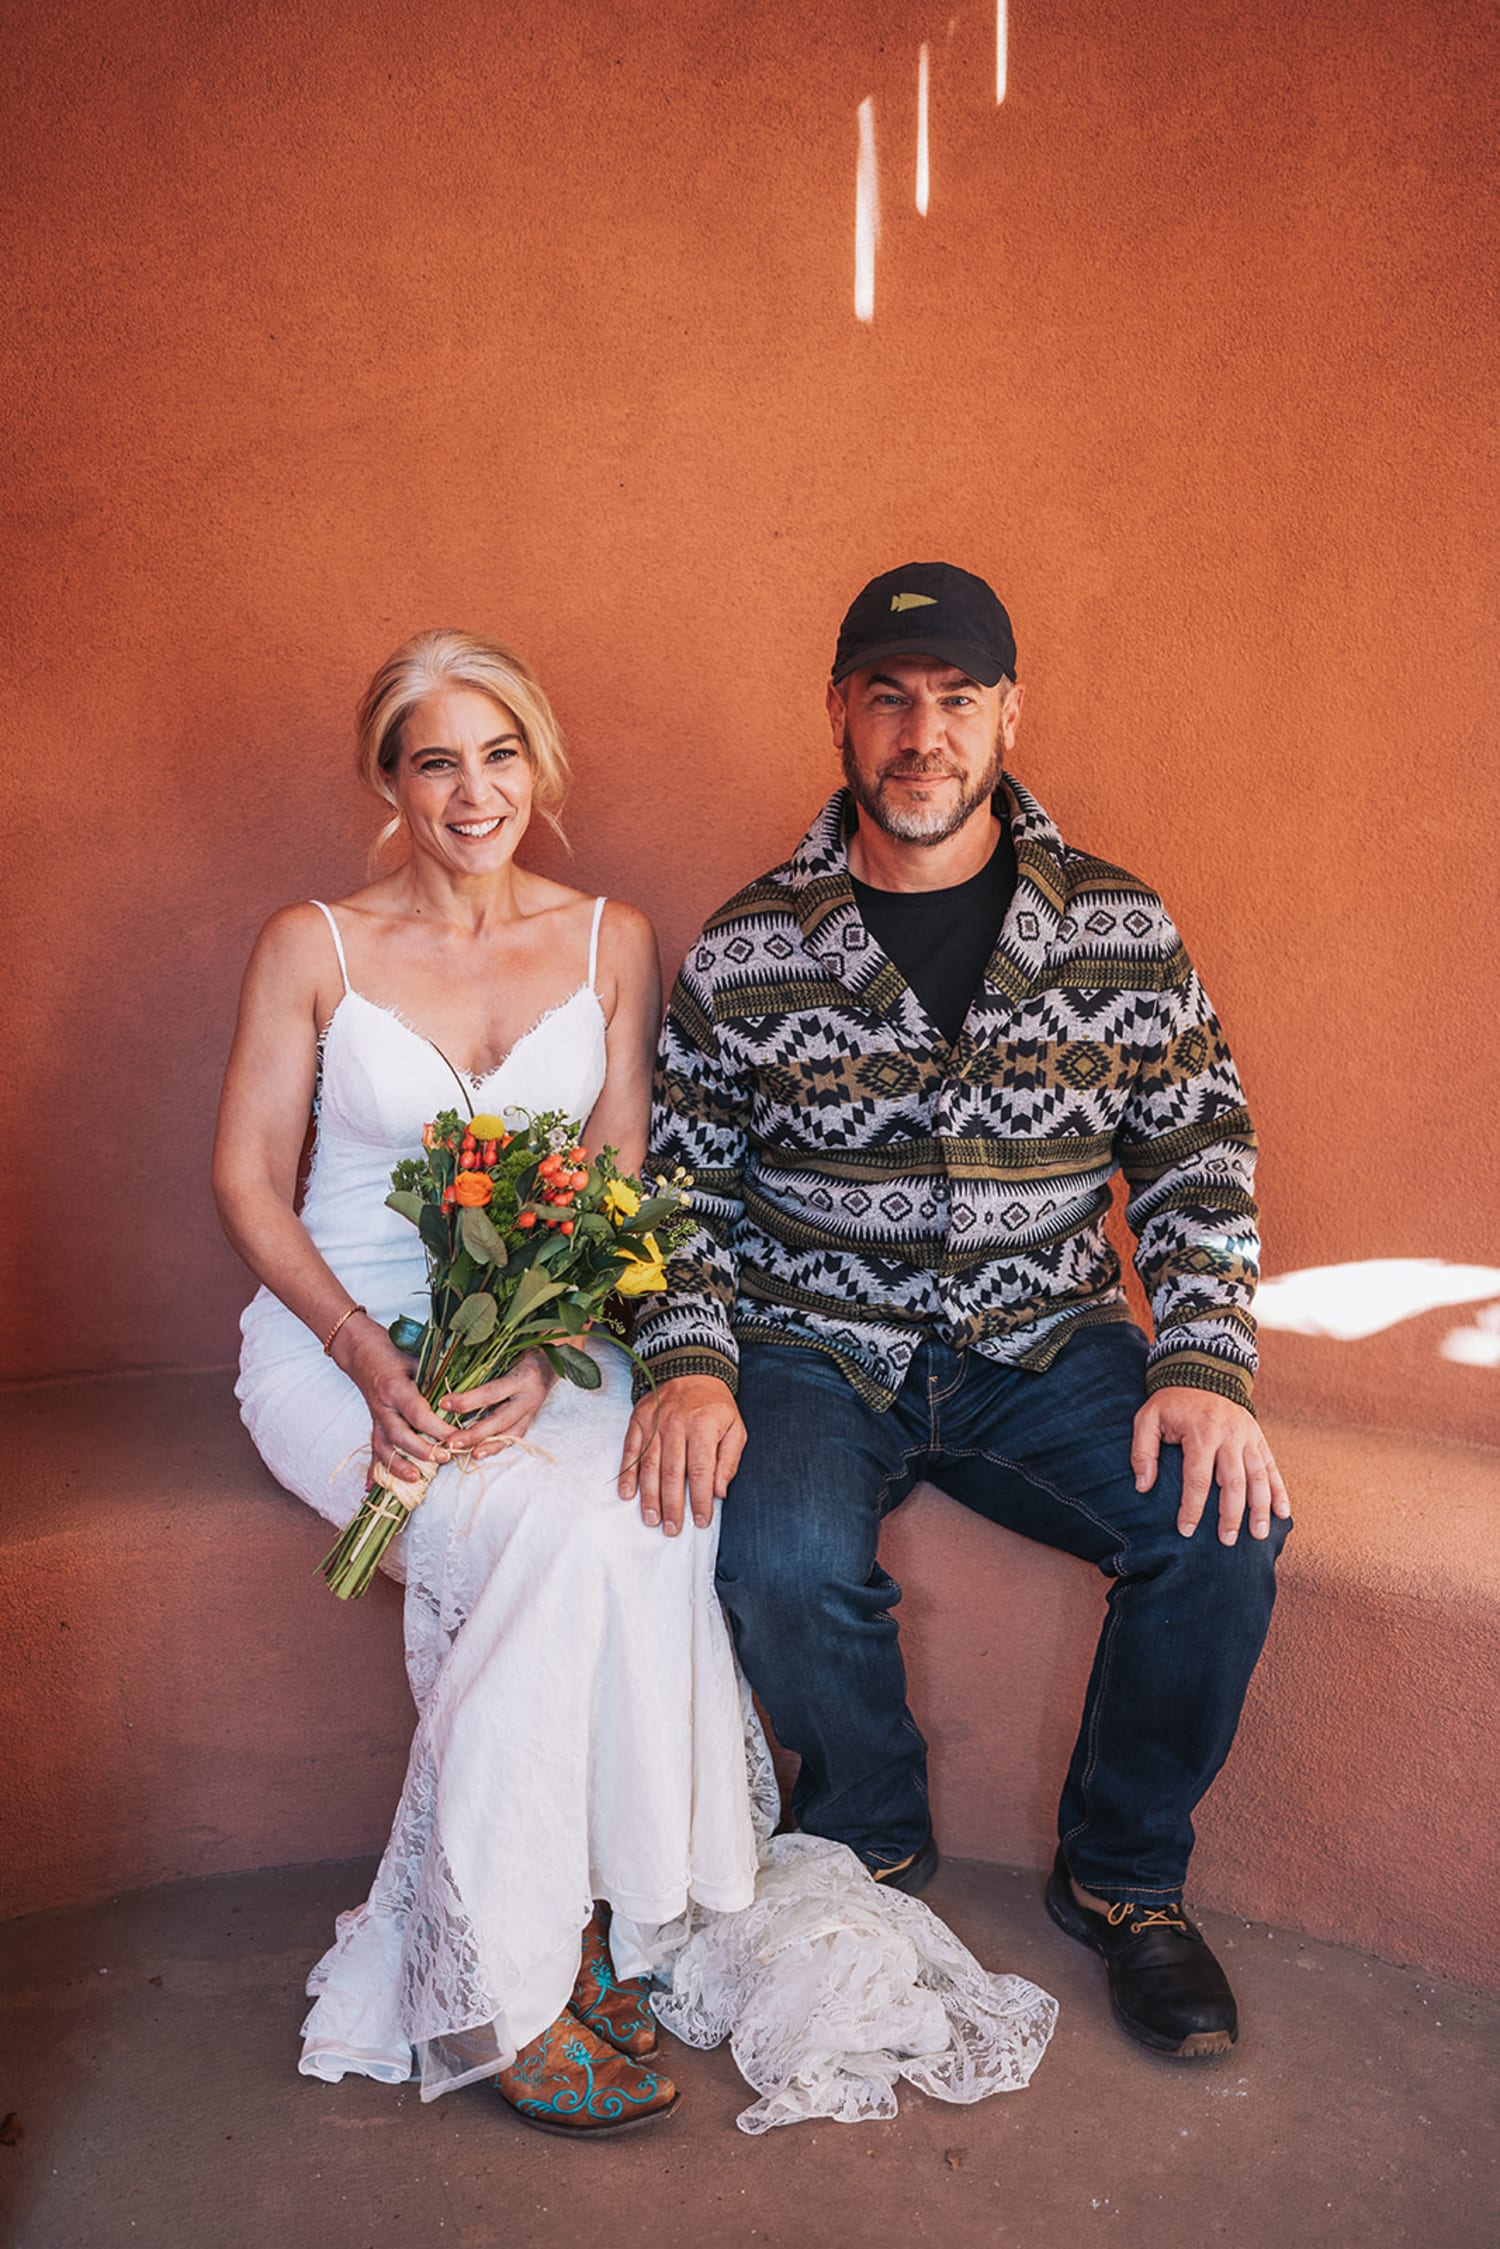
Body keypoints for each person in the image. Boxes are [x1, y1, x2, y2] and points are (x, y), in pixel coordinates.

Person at [214, 625, 1057, 2139]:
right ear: (387, 780)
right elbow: (248, 1185)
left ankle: (606, 1909)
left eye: (498, 755)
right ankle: (508, 1984)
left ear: (538, 764)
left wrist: (538, 1347)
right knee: (544, 1537)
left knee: (652, 1508)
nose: (472, 792)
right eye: (434, 761)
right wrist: (363, 1355)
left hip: (546, 1329)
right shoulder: (311, 943)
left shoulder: (614, 937)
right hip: (338, 1338)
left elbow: (621, 1181)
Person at [623, 561, 1293, 2061]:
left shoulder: (1117, 926)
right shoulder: (747, 949)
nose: (920, 734)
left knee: (1224, 1524)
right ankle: (867, 1828)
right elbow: (681, 1193)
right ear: (841, 718)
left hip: (1046, 1346)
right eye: (888, 699)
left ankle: (1123, 1879)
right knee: (781, 1553)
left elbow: (1196, 1151)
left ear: (1008, 715)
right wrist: (689, 1359)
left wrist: (1202, 1356)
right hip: (813, 1347)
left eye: (955, 699)